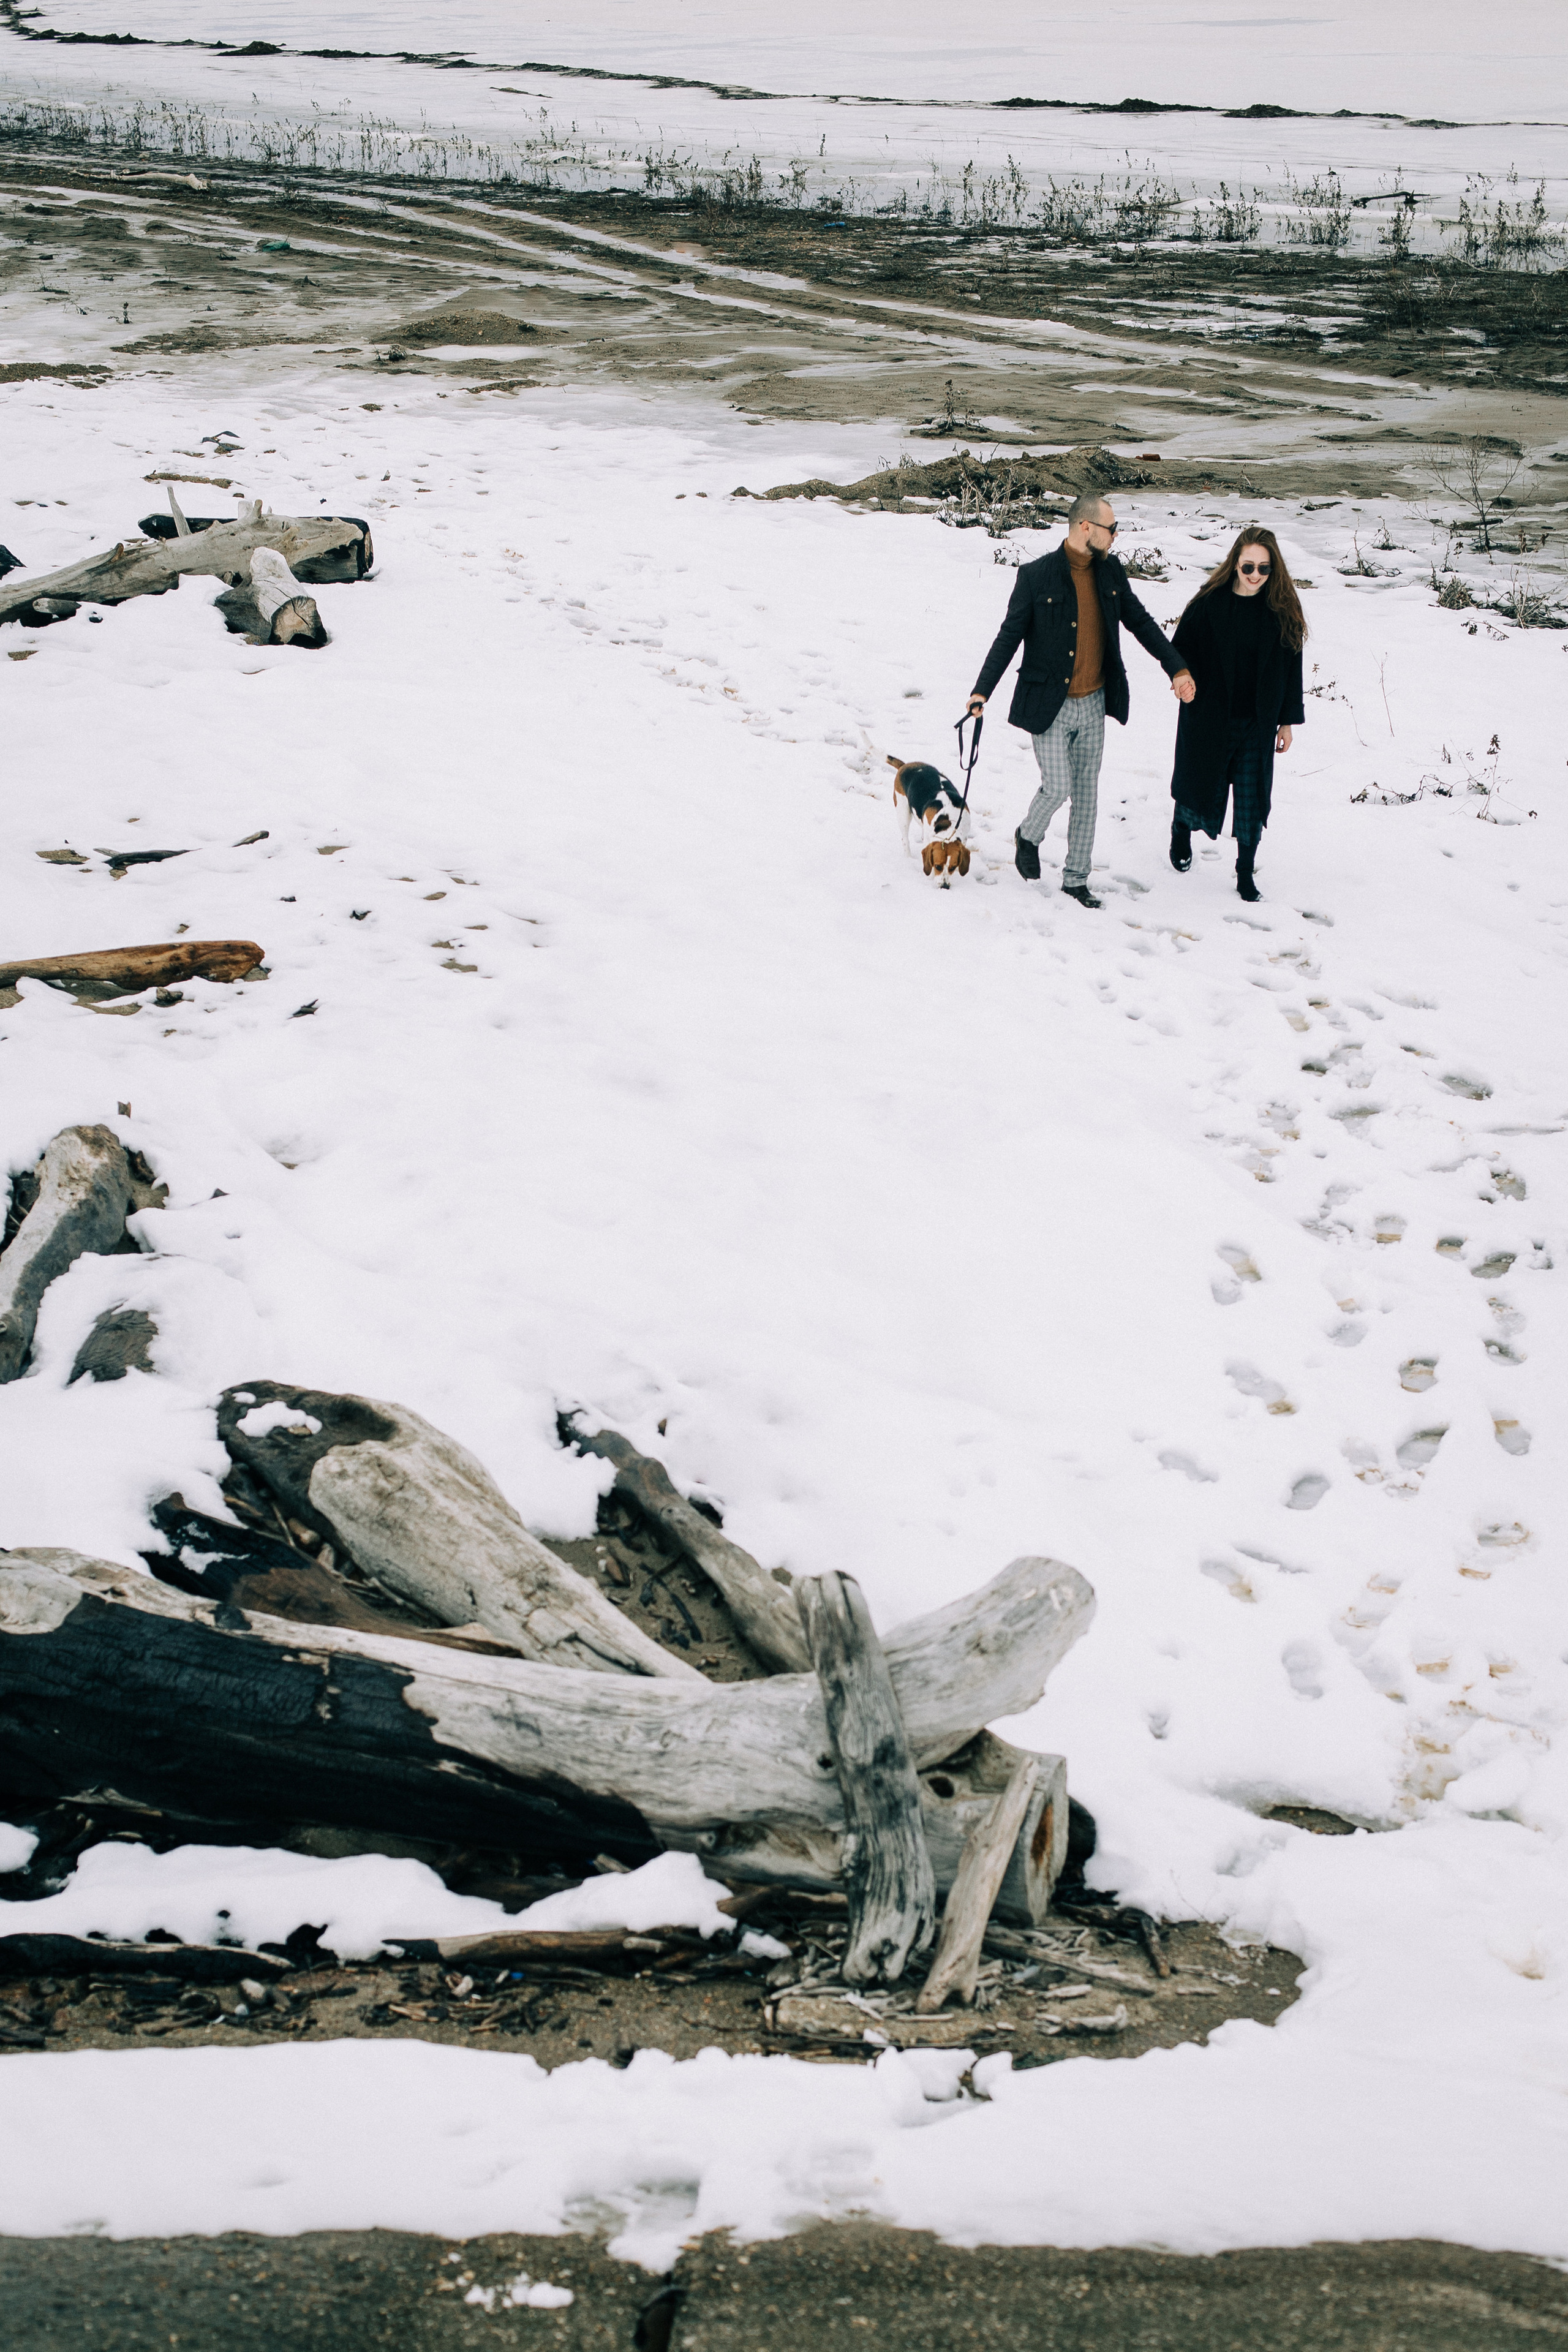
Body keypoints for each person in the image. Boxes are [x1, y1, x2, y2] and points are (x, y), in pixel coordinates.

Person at [967, 492, 1195, 910]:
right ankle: (1028, 835)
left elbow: (1141, 622)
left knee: (1087, 795)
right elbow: (1009, 636)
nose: (1116, 537)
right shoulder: (1037, 576)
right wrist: (982, 691)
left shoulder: (1110, 574)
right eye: (1112, 529)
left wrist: (1177, 668)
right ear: (1085, 527)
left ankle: (1076, 880)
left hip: (1094, 702)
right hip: (1050, 705)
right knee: (1058, 787)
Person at [1167, 526, 1306, 903]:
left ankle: (1245, 871)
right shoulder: (1208, 605)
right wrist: (1181, 679)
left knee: (1251, 799)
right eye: (1249, 567)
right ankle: (1181, 832)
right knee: (1199, 786)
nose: (1256, 575)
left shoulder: (1283, 611)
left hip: (1257, 725)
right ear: (1235, 565)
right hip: (1209, 718)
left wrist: (1287, 721)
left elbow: (1293, 669)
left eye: (1265, 568)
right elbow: (1179, 652)